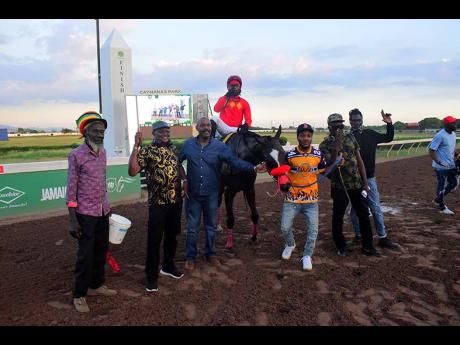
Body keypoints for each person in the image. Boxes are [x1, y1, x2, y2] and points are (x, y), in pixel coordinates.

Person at [180, 117, 266, 270]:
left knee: (211, 227)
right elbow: (176, 161)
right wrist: (183, 179)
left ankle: (210, 254)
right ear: (198, 128)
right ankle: (190, 257)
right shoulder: (187, 145)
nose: (206, 128)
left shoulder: (219, 147)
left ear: (211, 128)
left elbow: (235, 161)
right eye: (203, 125)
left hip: (211, 194)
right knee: (192, 228)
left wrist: (252, 167)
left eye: (208, 125)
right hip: (193, 194)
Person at [66, 111, 117, 313]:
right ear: (86, 133)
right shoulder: (76, 156)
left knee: (101, 251)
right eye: (96, 131)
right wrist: (72, 220)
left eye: (103, 131)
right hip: (85, 214)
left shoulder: (103, 153)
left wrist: (108, 207)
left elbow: (102, 183)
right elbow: (71, 188)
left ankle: (96, 285)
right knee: (85, 255)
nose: (100, 135)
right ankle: (79, 295)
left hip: (102, 211)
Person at [128, 121, 186, 292]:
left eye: (167, 131)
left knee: (172, 236)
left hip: (175, 202)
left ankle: (168, 266)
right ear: (153, 134)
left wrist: (185, 179)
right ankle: (151, 276)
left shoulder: (174, 149)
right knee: (154, 240)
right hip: (157, 204)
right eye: (161, 131)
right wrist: (136, 146)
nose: (165, 133)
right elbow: (132, 171)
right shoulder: (146, 151)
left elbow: (179, 167)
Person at [319, 113, 380, 257]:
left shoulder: (351, 137)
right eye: (335, 125)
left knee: (364, 214)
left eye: (341, 124)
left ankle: (368, 245)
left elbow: (359, 161)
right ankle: (340, 246)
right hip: (339, 186)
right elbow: (330, 163)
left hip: (357, 184)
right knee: (338, 216)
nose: (339, 127)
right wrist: (336, 146)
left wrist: (365, 183)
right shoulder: (325, 144)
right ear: (329, 126)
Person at [280, 123, 330, 271]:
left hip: (311, 201)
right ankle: (290, 244)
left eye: (308, 135)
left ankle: (307, 255)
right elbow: (282, 174)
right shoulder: (289, 155)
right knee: (284, 227)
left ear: (311, 137)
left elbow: (325, 171)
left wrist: (337, 162)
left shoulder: (318, 155)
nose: (305, 138)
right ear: (298, 137)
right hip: (292, 199)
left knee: (313, 230)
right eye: (302, 135)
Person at [348, 108, 400, 250]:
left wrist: (389, 124)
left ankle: (383, 237)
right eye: (353, 120)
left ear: (362, 120)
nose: (356, 123)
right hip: (353, 180)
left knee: (375, 208)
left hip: (369, 179)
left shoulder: (370, 134)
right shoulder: (347, 138)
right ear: (350, 121)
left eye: (358, 120)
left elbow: (388, 138)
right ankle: (358, 236)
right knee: (353, 211)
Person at [429, 115, 458, 215]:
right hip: (440, 166)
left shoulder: (453, 134)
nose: (455, 124)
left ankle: (438, 199)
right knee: (441, 185)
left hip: (450, 164)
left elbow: (451, 148)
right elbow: (431, 150)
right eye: (453, 123)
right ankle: (441, 207)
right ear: (446, 124)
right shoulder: (440, 135)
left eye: (455, 122)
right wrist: (437, 161)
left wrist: (456, 154)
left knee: (453, 183)